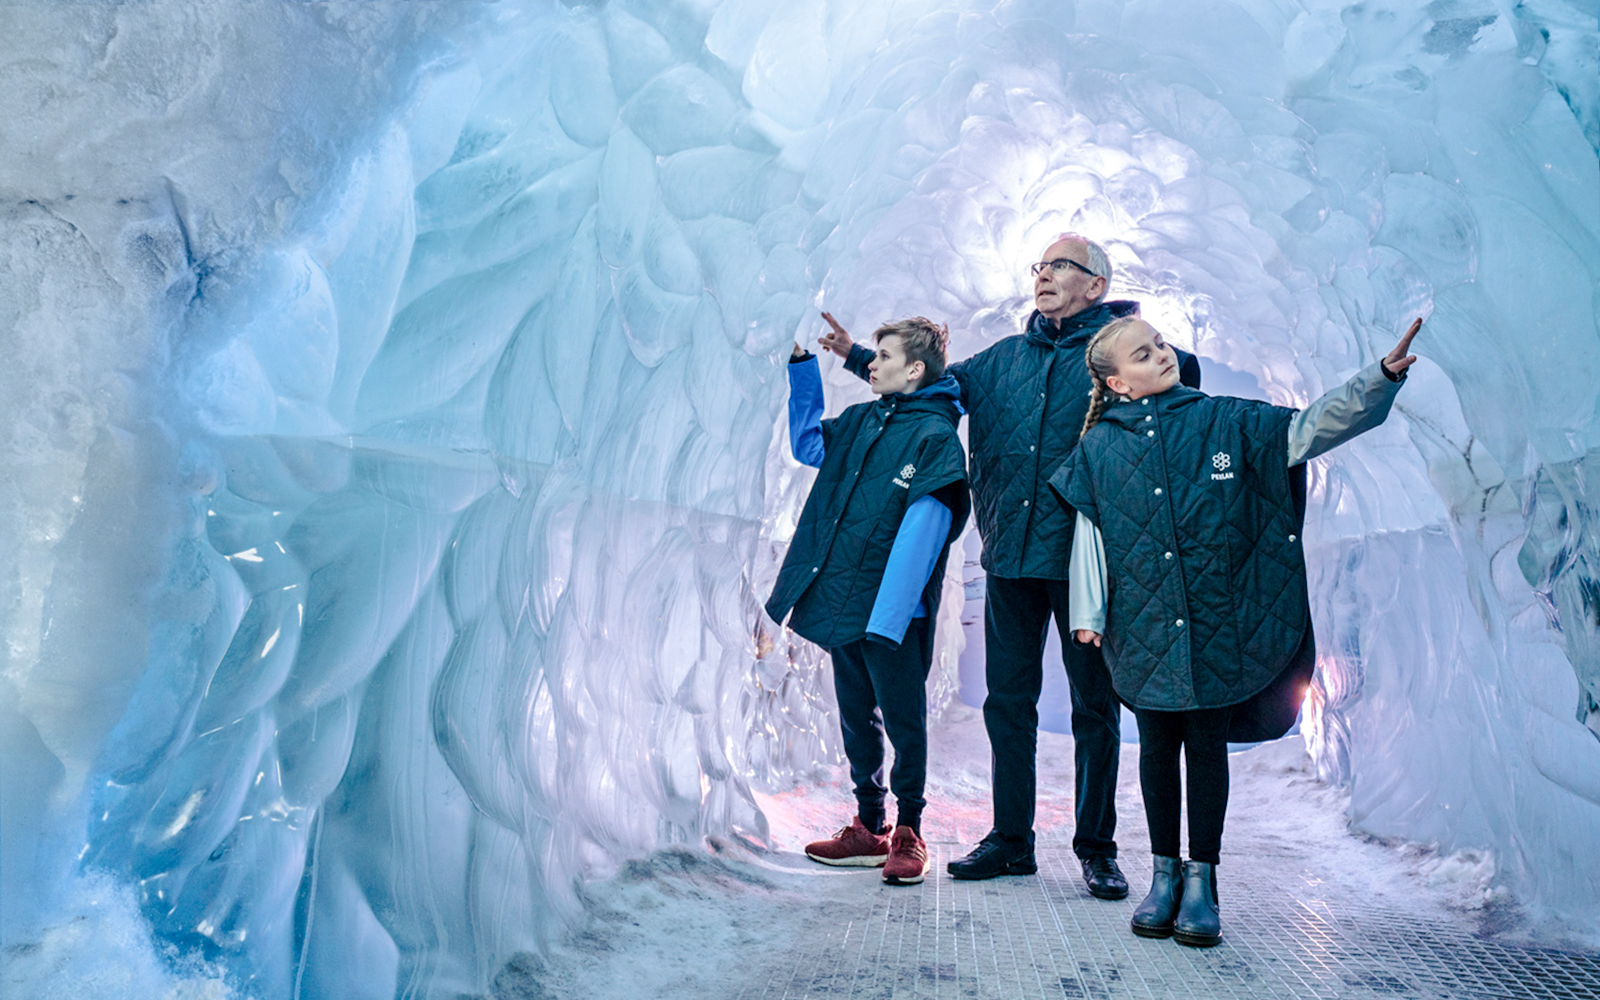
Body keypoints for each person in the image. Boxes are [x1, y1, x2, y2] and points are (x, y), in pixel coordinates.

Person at [819, 236, 1200, 899]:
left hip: (1085, 562)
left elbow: (1180, 377)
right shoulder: (998, 363)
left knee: (1094, 708)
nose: (1044, 276)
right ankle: (1010, 840)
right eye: (1040, 266)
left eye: (1060, 267)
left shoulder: (1113, 352)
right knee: (1008, 706)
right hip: (1012, 559)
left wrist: (1138, 341)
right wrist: (859, 356)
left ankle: (1096, 848)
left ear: (1096, 284)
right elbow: (927, 386)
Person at [1052, 315, 1424, 946]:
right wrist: (1088, 613)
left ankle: (1203, 880)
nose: (1161, 356)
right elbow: (1089, 536)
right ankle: (1163, 875)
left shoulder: (1229, 420)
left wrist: (1378, 380)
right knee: (1154, 750)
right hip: (1140, 624)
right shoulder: (1097, 450)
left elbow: (1310, 428)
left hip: (1216, 620)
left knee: (1204, 745)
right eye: (1142, 356)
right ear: (1117, 382)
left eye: (1161, 344)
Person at [767, 316, 971, 885]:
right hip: (842, 600)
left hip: (892, 612)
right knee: (858, 718)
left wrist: (891, 616)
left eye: (882, 356)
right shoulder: (862, 420)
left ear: (915, 370)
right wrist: (803, 367)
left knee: (905, 724)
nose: (869, 364)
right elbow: (810, 446)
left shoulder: (934, 439)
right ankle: (868, 825)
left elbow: (927, 529)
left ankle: (909, 831)